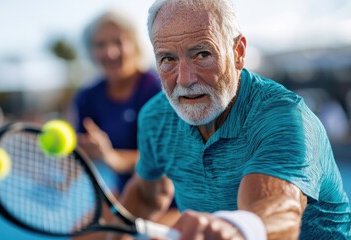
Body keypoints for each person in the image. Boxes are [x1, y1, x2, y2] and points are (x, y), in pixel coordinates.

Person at [110, 0, 351, 239]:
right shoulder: (156, 117)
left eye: (202, 54)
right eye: (168, 59)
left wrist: (236, 228)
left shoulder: (285, 117)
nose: (184, 79)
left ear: (238, 52)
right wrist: (109, 233)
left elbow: (280, 209)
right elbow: (146, 194)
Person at [70, 9, 161, 196]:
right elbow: (80, 158)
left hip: (172, 198)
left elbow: (166, 158)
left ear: (135, 45)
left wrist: (112, 157)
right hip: (128, 197)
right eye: (100, 44)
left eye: (118, 42)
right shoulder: (87, 97)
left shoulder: (157, 89)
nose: (109, 52)